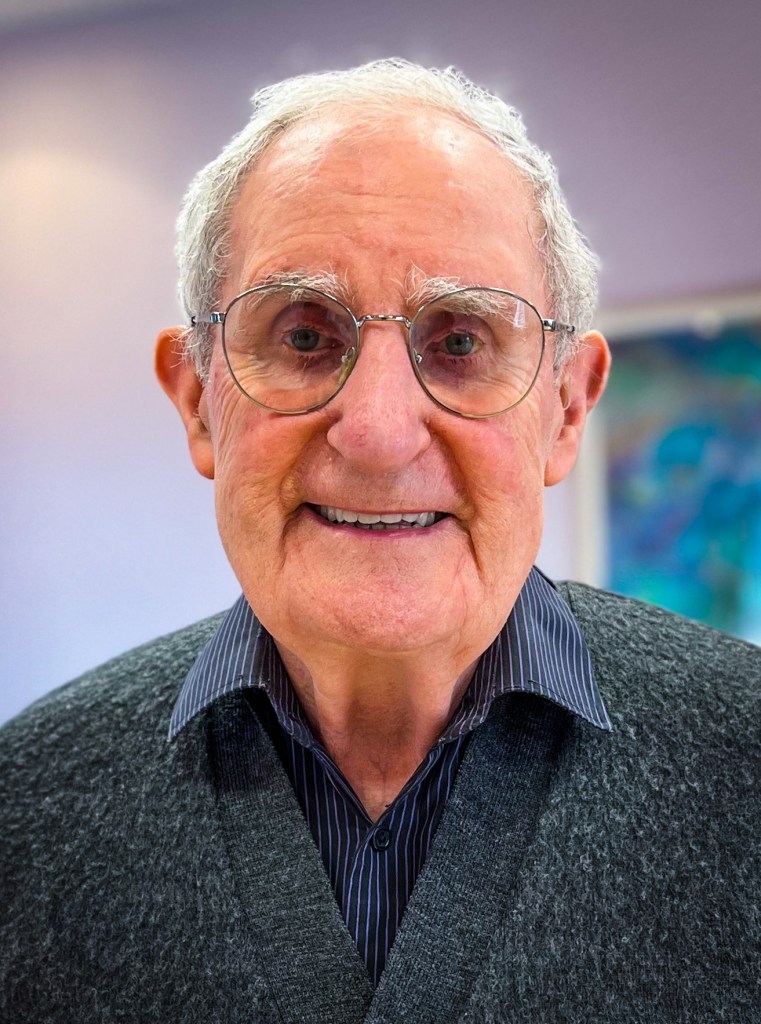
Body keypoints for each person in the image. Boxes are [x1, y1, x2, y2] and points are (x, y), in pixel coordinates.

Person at [1, 59, 758, 1023]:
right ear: (196, 401)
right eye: (304, 337)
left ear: (566, 410)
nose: (378, 431)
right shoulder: (23, 809)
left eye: (461, 341)